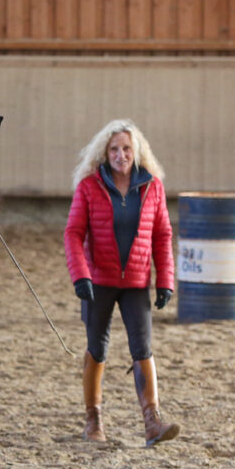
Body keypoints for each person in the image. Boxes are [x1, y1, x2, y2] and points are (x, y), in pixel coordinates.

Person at [64, 118, 181, 447]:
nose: (121, 154)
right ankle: (93, 420)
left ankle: (152, 422)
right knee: (97, 349)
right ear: (105, 152)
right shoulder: (89, 186)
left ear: (136, 151)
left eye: (126, 148)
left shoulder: (153, 187)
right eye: (114, 149)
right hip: (97, 282)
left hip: (136, 282)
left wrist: (165, 280)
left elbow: (162, 235)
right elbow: (73, 234)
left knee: (142, 348)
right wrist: (80, 275)